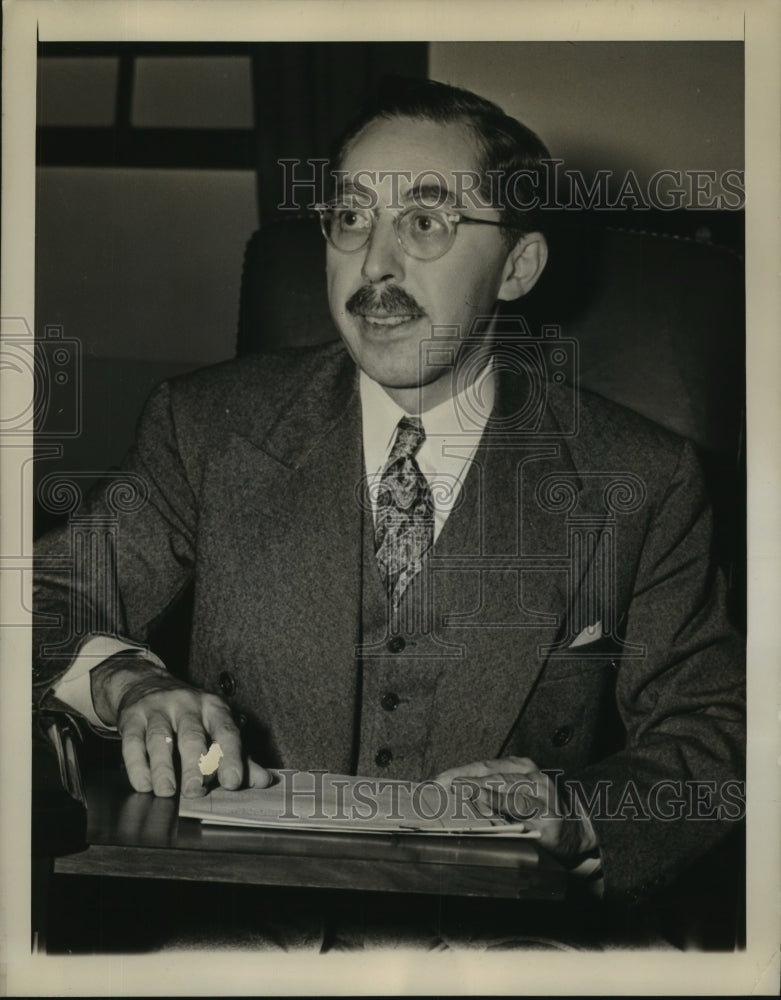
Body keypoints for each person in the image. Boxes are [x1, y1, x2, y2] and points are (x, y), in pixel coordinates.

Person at [34, 77, 744, 911]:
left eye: (425, 222)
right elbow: (41, 603)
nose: (374, 263)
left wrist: (580, 813)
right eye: (349, 218)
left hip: (497, 942)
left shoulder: (638, 480)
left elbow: (714, 734)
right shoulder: (208, 428)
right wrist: (129, 684)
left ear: (517, 266)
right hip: (228, 920)